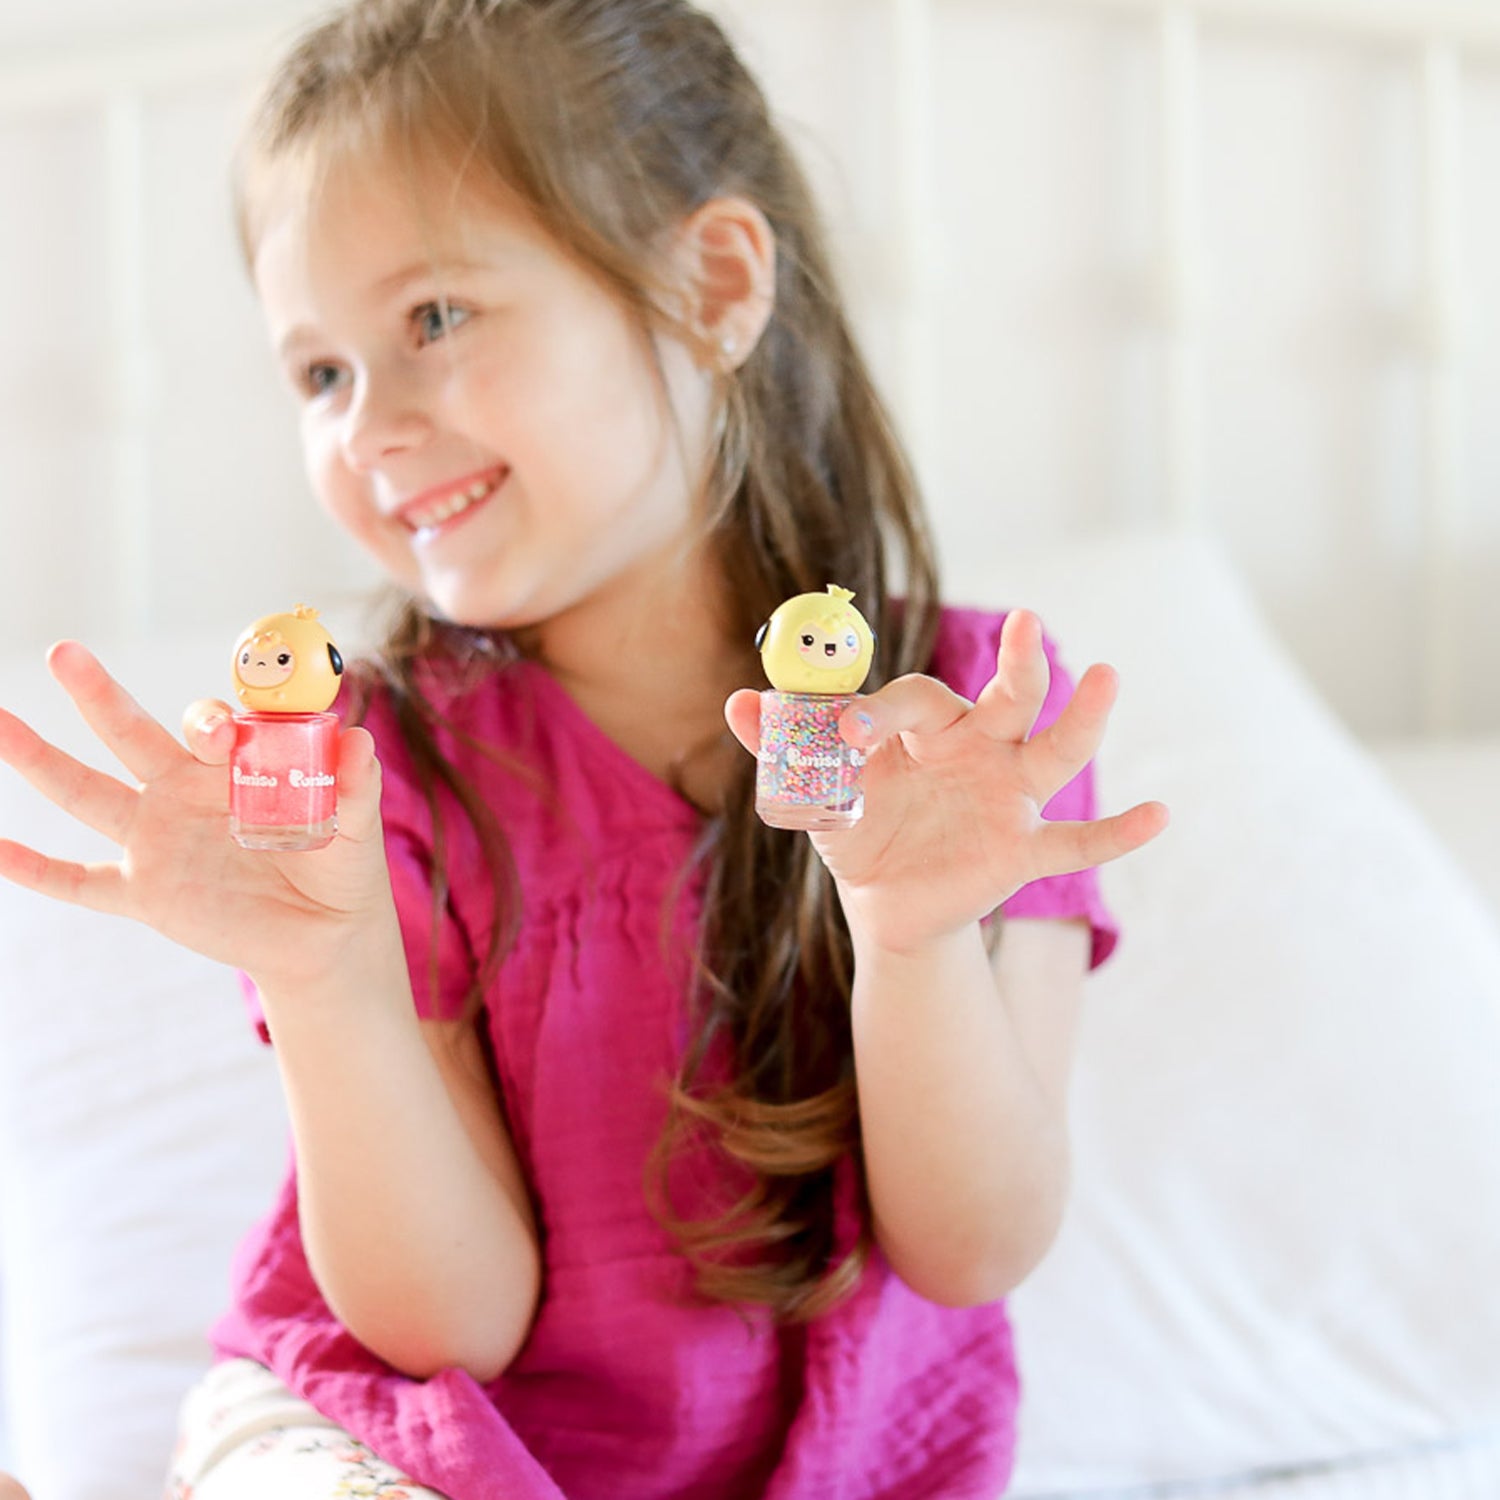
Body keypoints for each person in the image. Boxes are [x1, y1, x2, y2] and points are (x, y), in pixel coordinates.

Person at [0, 1, 1169, 1496]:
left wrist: (917, 940)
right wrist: (324, 981)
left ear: (710, 285)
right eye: (320, 375)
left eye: (432, 319)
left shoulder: (967, 723)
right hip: (404, 1439)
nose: (366, 428)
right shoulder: (364, 782)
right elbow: (448, 1326)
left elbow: (976, 1247)